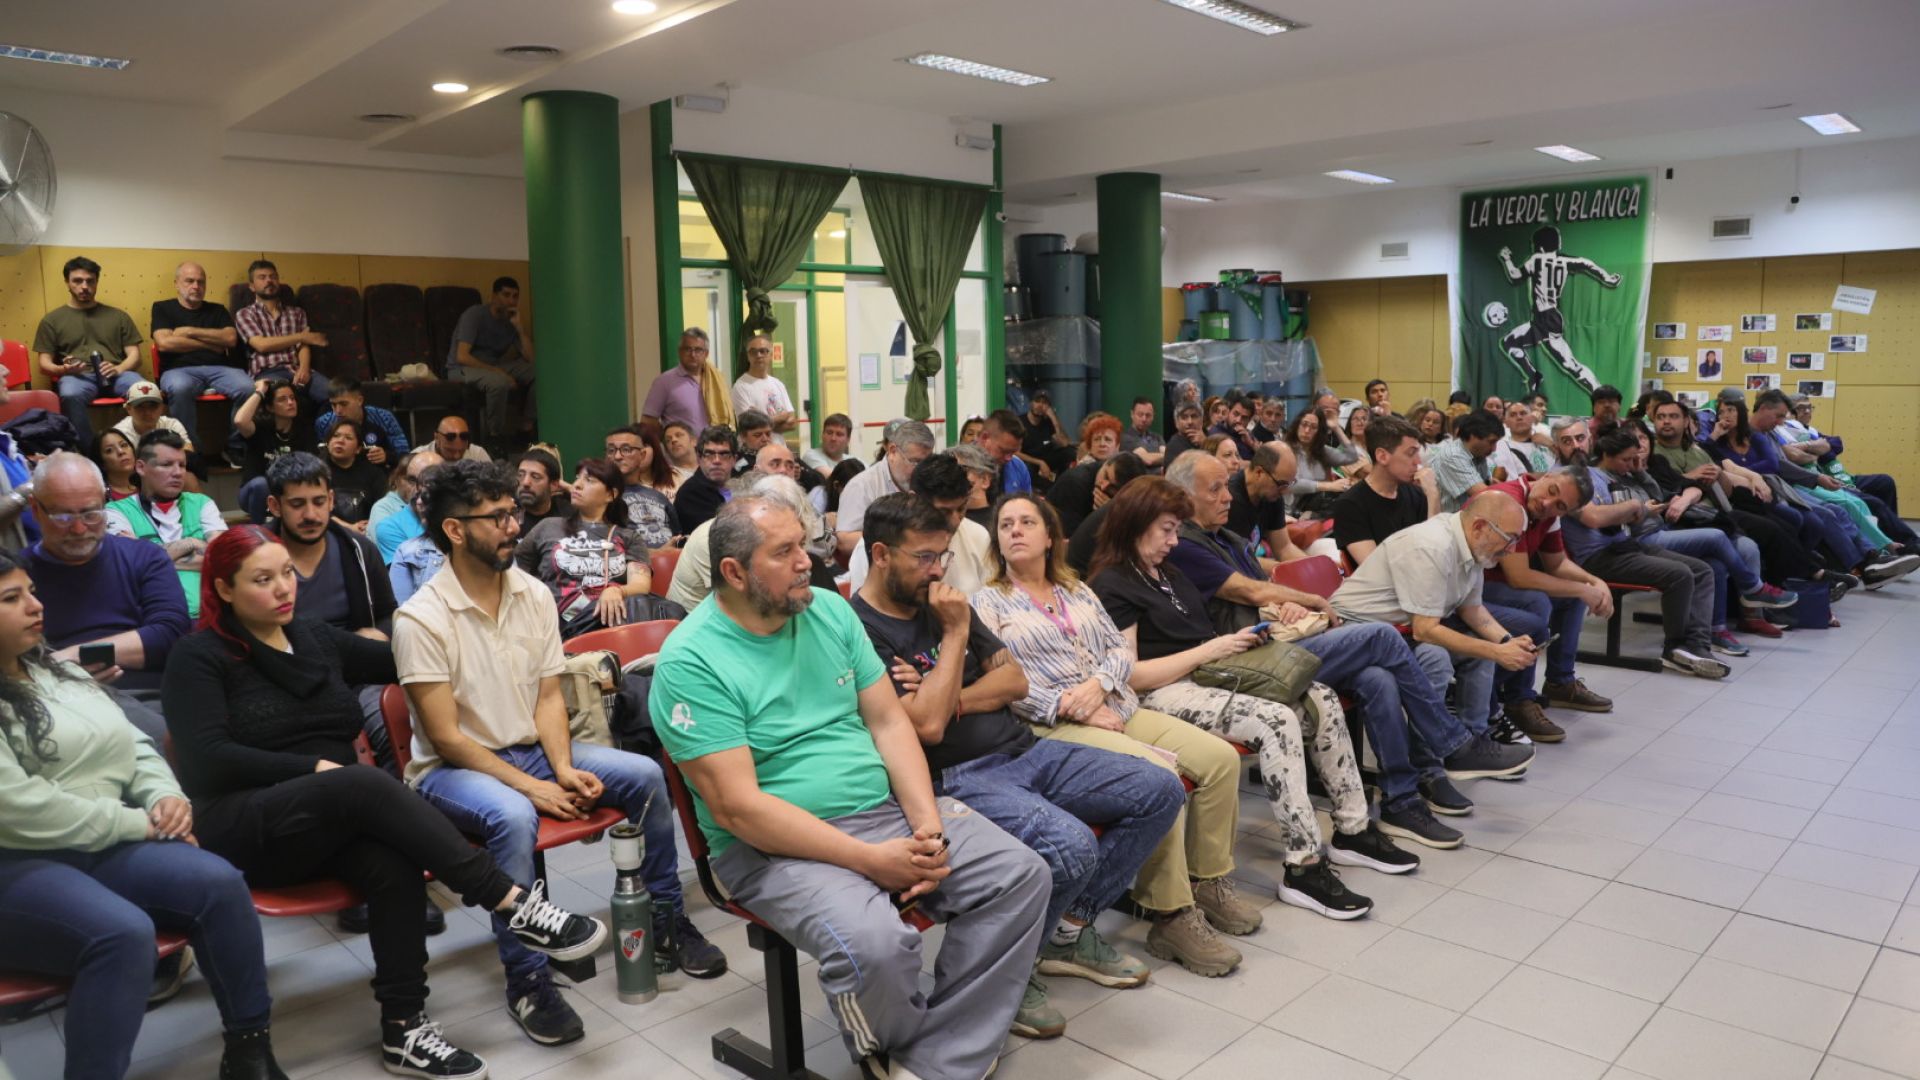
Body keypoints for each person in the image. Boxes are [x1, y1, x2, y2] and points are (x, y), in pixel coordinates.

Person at [164, 527, 604, 1080]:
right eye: (262, 579)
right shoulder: (198, 656)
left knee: (391, 861)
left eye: (285, 574)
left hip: (331, 817)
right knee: (360, 781)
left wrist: (503, 644)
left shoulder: (313, 638)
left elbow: (409, 657)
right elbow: (206, 757)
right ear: (224, 589)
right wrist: (311, 769)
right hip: (244, 822)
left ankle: (404, 1029)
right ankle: (511, 902)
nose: (283, 588)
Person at [652, 494, 1047, 1079]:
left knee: (1020, 875)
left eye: (804, 543)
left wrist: (927, 825)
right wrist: (869, 860)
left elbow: (890, 723)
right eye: (784, 551)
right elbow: (738, 810)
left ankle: (934, 1057)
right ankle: (907, 1050)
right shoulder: (691, 661)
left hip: (880, 810)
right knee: (876, 946)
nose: (807, 560)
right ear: (733, 573)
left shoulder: (828, 613)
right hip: (772, 846)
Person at [397, 462, 725, 1044]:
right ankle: (526, 981)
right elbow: (446, 737)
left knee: (645, 775)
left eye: (512, 513)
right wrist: (535, 785)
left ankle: (666, 919)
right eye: (496, 517)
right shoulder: (421, 617)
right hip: (452, 770)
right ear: (453, 529)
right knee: (512, 815)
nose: (511, 526)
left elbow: (550, 693)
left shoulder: (529, 593)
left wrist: (566, 766)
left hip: (534, 751)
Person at [852, 492, 1182, 1037]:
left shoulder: (941, 601)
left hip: (1024, 748)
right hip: (956, 777)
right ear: (882, 555)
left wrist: (943, 688)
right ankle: (1017, 969)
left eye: (943, 556)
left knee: (1159, 787)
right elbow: (926, 730)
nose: (937, 571)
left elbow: (1015, 681)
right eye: (924, 557)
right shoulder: (865, 627)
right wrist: (957, 637)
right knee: (1071, 844)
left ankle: (1068, 933)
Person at [0, 548, 290, 1080]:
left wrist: (165, 798)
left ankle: (250, 1053)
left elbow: (133, 743)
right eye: (11, 598)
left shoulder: (58, 672)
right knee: (121, 934)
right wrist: (141, 824)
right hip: (17, 863)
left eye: (32, 592)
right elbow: (18, 809)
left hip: (106, 842)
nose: (35, 606)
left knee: (220, 885)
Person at [1164, 450, 1532, 848]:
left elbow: (1258, 591)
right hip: (1240, 660)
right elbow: (1247, 589)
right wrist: (1308, 599)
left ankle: (1401, 801)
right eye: (1215, 489)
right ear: (1182, 496)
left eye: (1225, 486)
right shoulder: (1184, 544)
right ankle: (1452, 745)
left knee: (1378, 680)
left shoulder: (1226, 537)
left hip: (1273, 641)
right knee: (1383, 636)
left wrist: (1286, 602)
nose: (1228, 497)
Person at [1089, 479, 1416, 916]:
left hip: (1209, 673)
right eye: (1166, 530)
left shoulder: (1170, 571)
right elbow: (1132, 676)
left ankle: (1353, 829)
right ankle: (1303, 866)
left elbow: (1206, 634)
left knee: (1320, 696)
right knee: (1275, 720)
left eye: (1175, 530)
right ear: (1134, 526)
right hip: (1161, 691)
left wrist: (1255, 629)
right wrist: (1215, 649)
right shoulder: (1113, 584)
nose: (1174, 541)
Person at [973, 493, 1255, 977]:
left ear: (1049, 536)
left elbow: (1121, 652)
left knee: (1218, 760)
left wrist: (1098, 686)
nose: (1014, 531)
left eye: (1025, 522)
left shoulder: (1076, 589)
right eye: (1004, 525)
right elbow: (1000, 682)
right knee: (1155, 774)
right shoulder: (988, 602)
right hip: (1051, 725)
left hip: (1115, 703)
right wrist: (1068, 704)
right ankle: (1170, 914)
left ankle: (1208, 881)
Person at [1331, 492, 1556, 748]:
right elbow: (1425, 630)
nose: (1513, 549)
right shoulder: (1433, 546)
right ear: (1480, 527)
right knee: (1439, 658)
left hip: (1400, 628)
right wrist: (1497, 651)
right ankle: (1428, 755)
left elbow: (1472, 609)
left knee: (1480, 652)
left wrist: (1507, 642)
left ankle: (1474, 740)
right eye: (1510, 538)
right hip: (1358, 629)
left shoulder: (1475, 543)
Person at [1586, 424, 1796, 657]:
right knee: (1716, 536)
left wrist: (1640, 473)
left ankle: (1713, 632)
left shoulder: (1631, 473)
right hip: (1645, 538)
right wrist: (1642, 511)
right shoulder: (1602, 479)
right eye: (1627, 459)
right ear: (1608, 455)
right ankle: (1752, 587)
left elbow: (1659, 495)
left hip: (1660, 529)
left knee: (1714, 565)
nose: (1631, 462)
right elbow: (1619, 522)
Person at [25, 453, 190, 725]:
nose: (78, 529)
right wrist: (62, 676)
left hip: (150, 694)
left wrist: (67, 660)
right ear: (36, 510)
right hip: (54, 700)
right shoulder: (16, 576)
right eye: (62, 516)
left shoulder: (144, 557)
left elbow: (170, 632)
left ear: (105, 502)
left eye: (91, 513)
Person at [1557, 438, 1732, 679]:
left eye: (1581, 438)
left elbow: (1629, 513)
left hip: (1625, 544)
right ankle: (1674, 647)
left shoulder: (1604, 475)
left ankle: (1697, 645)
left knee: (1702, 570)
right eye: (1568, 440)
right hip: (1597, 557)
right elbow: (1595, 518)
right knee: (1679, 574)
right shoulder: (1564, 478)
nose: (1577, 445)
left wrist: (1639, 503)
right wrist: (1633, 507)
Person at [1481, 469, 1616, 728]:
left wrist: (1593, 583)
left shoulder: (1547, 513)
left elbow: (1557, 563)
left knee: (1572, 592)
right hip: (1469, 588)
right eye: (1551, 491)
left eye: (1560, 506)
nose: (1547, 504)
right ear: (1544, 477)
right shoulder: (1509, 502)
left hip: (1495, 586)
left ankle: (1560, 682)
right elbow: (1518, 577)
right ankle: (1518, 698)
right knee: (1538, 602)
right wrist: (1581, 588)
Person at [515, 458, 655, 638]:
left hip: (611, 624)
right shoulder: (548, 526)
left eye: (589, 480)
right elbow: (513, 569)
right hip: (557, 626)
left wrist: (617, 590)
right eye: (577, 478)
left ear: (610, 495)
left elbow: (641, 584)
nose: (577, 485)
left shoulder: (628, 537)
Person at [265, 453, 396, 638]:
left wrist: (379, 633)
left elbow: (389, 614)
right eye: (297, 504)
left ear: (331, 500)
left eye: (319, 502)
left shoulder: (361, 550)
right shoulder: (253, 554)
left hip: (353, 659)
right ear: (275, 506)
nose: (311, 514)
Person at [104, 430, 229, 618]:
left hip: (208, 616)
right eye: (167, 465)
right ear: (141, 467)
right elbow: (129, 564)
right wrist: (192, 543)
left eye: (182, 465)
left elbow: (222, 558)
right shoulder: (116, 511)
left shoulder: (203, 503)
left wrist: (148, 555)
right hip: (151, 619)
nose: (178, 473)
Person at [845, 454, 994, 597]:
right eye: (943, 511)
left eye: (961, 509)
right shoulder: (877, 544)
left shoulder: (978, 536)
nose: (955, 521)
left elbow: (993, 603)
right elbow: (861, 614)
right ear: (913, 499)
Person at [33, 255, 146, 437]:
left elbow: (135, 356)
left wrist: (118, 369)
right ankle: (90, 454)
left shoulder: (118, 316)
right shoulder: (52, 320)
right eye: (77, 281)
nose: (84, 286)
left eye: (90, 281)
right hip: (77, 378)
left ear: (97, 282)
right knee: (70, 394)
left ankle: (142, 447)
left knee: (143, 389)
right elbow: (44, 364)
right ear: (67, 283)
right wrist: (64, 369)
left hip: (117, 374)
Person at [150, 261, 251, 441]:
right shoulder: (162, 308)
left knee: (248, 388)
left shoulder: (218, 310)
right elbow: (164, 343)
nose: (196, 286)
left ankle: (236, 447)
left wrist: (189, 331)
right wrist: (210, 344)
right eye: (189, 281)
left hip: (220, 369)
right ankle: (188, 449)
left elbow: (230, 339)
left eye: (201, 282)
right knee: (180, 388)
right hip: (177, 370)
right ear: (176, 283)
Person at [1332, 414, 1439, 567]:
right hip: (1380, 588)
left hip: (1417, 580)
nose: (1418, 462)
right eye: (1410, 453)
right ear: (1382, 456)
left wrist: (1433, 495)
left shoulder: (1416, 494)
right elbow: (1376, 570)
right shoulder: (1350, 504)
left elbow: (1436, 552)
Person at [447, 277, 536, 444]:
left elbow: (531, 358)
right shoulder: (475, 314)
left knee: (538, 372)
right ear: (494, 296)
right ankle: (495, 438)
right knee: (499, 382)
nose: (511, 300)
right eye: (506, 295)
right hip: (461, 368)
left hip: (493, 366)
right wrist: (498, 372)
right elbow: (462, 356)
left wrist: (519, 328)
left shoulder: (510, 320)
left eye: (515, 296)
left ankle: (526, 427)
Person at [233, 260, 330, 407]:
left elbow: (303, 346)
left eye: (273, 277)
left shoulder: (297, 313)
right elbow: (261, 345)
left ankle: (326, 428)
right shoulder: (245, 314)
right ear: (252, 286)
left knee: (335, 396)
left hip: (297, 369)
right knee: (280, 401)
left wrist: (304, 368)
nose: (269, 281)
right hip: (267, 372)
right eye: (262, 277)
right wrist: (302, 336)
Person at [836, 419, 937, 557]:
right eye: (915, 462)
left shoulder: (930, 481)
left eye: (926, 463)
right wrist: (900, 540)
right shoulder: (862, 486)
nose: (921, 470)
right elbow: (844, 541)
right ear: (892, 451)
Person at [232, 379, 306, 524]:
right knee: (261, 484)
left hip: (285, 494)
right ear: (270, 407)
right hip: (253, 493)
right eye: (282, 400)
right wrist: (260, 391)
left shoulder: (303, 432)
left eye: (292, 398)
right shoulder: (261, 428)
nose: (290, 403)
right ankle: (258, 532)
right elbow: (240, 421)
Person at [602, 424, 680, 549]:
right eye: (611, 450)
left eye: (626, 449)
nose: (617, 456)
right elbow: (603, 545)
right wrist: (655, 553)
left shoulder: (658, 497)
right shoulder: (602, 496)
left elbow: (678, 536)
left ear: (642, 455)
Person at [315, 380, 410, 468]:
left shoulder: (384, 417)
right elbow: (320, 456)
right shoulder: (323, 423)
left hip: (376, 474)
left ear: (359, 400)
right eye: (333, 405)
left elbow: (404, 454)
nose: (338, 411)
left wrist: (387, 456)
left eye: (343, 404)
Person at [1426, 409, 1503, 513]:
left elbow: (1487, 485)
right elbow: (1485, 495)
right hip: (1446, 523)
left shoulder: (1478, 453)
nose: (1494, 448)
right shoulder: (1453, 456)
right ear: (1473, 436)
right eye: (1491, 442)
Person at [375, 450, 445, 561]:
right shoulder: (390, 527)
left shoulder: (459, 514)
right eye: (412, 480)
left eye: (429, 482)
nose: (418, 489)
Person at [641, 328, 716, 431]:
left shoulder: (715, 381)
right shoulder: (664, 382)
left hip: (714, 446)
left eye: (698, 350)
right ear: (680, 352)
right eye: (687, 349)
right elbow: (648, 421)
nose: (692, 354)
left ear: (706, 354)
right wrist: (667, 438)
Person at [1282, 406, 1350, 517]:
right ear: (1297, 425)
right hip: (1285, 511)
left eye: (1313, 427)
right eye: (1304, 424)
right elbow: (1288, 484)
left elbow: (1351, 455)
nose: (1307, 430)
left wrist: (1336, 428)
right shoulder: (1284, 449)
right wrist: (1329, 486)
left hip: (1307, 506)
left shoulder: (1320, 452)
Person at [321, 417, 390, 527]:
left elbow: (385, 505)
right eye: (336, 436)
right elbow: (318, 510)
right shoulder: (316, 471)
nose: (340, 441)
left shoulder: (373, 473)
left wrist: (369, 526)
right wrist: (349, 528)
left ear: (358, 449)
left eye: (348, 438)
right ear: (328, 443)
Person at [672, 424, 739, 535]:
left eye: (724, 454)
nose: (717, 460)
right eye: (709, 454)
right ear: (699, 458)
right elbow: (718, 536)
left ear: (734, 459)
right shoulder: (690, 493)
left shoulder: (743, 485)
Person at [731, 335, 797, 434]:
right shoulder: (741, 386)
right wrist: (781, 418)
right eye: (753, 352)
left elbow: (792, 423)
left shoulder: (778, 384)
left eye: (763, 351)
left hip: (778, 447)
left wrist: (761, 421)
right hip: (755, 449)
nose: (758, 355)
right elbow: (748, 426)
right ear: (748, 356)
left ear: (771, 355)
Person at [112, 379, 195, 454]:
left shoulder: (172, 425)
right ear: (128, 409)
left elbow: (188, 453)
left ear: (162, 407)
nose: (147, 412)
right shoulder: (120, 433)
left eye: (153, 406)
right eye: (140, 406)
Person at [1490, 399, 1553, 482]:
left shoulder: (1547, 441)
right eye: (1513, 415)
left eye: (1523, 413)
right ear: (1506, 422)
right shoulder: (1499, 448)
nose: (1519, 417)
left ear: (1532, 417)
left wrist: (1552, 445)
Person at [511, 448, 571, 532]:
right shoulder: (507, 512)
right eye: (520, 475)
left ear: (554, 485)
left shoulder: (567, 515)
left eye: (535, 477)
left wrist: (570, 489)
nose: (525, 482)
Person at [1019, 390, 1074, 482]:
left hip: (1046, 459)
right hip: (1029, 460)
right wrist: (1040, 463)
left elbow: (1065, 443)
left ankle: (1061, 483)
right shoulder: (1020, 422)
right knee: (1028, 467)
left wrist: (1053, 418)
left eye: (1044, 403)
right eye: (1037, 401)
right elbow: (1015, 453)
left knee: (1069, 453)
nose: (1040, 405)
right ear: (1031, 403)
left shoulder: (1048, 422)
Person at [980, 409, 1034, 496]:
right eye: (1003, 451)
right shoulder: (960, 466)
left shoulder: (1019, 467)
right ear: (985, 438)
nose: (1009, 458)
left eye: (1013, 452)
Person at [92, 428, 140, 503]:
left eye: (124, 445)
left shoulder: (150, 485)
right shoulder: (99, 497)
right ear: (101, 463)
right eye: (109, 450)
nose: (121, 452)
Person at [802, 412, 854, 481]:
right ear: (822, 435)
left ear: (848, 439)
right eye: (829, 433)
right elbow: (835, 480)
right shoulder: (811, 455)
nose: (833, 438)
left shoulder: (853, 460)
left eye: (839, 434)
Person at [1120, 397, 1165, 467]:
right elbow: (1148, 460)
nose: (1144, 419)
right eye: (1140, 415)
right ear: (1132, 414)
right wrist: (1162, 456)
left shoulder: (1157, 437)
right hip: (1142, 477)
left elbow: (1169, 457)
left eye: (1148, 415)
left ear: (1153, 416)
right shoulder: (1126, 438)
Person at [661, 419, 698, 488]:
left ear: (694, 441)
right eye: (668, 440)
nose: (673, 440)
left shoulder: (710, 469)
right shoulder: (666, 478)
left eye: (679, 435)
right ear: (667, 451)